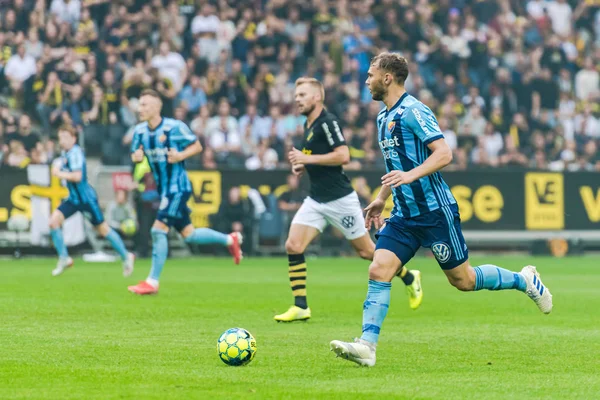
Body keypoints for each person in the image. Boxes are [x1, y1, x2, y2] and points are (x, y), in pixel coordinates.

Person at [330, 53, 553, 367]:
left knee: (464, 280)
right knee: (378, 269)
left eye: (370, 74)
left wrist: (410, 176)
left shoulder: (414, 111)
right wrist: (383, 196)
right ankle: (367, 346)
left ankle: (525, 280)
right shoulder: (382, 118)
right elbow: (397, 166)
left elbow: (444, 153)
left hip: (435, 211)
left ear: (387, 78)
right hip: (404, 215)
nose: (365, 80)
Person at [274, 77, 422, 323]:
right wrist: (302, 165)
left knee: (367, 252)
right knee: (293, 245)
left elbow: (343, 155)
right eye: (296, 95)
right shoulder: (308, 124)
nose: (297, 99)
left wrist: (307, 159)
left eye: (302, 94)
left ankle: (408, 276)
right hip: (316, 199)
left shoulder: (327, 122)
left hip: (340, 199)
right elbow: (313, 156)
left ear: (317, 97)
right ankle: (301, 306)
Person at [127, 89, 242, 295]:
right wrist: (136, 157)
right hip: (164, 189)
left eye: (144, 104)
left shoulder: (174, 127)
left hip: (178, 187)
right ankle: (229, 239)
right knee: (189, 235)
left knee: (157, 229)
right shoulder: (140, 132)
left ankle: (152, 281)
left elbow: (197, 146)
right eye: (140, 104)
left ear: (157, 106)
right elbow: (136, 154)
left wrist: (180, 155)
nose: (140, 108)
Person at [49, 125, 135, 277]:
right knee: (53, 222)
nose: (62, 140)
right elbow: (62, 162)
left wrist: (59, 173)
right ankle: (64, 258)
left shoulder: (75, 153)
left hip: (86, 200)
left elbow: (77, 176)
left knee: (102, 229)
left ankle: (126, 255)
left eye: (65, 137)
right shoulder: (66, 153)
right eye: (61, 137)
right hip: (74, 199)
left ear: (74, 139)